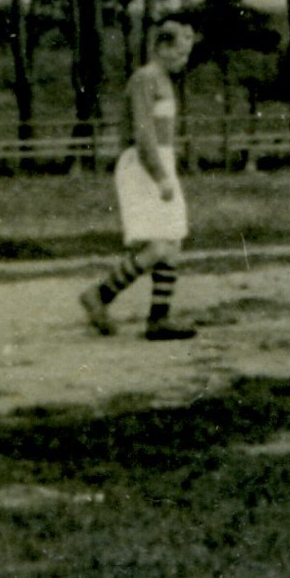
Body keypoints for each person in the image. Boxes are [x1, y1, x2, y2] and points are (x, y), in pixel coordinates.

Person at [78, 20, 200, 341]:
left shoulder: (164, 80)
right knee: (158, 245)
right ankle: (99, 295)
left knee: (172, 240)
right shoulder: (145, 79)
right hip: (142, 166)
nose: (183, 59)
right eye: (179, 52)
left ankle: (159, 319)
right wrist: (160, 175)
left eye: (187, 53)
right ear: (162, 47)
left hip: (160, 162)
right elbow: (143, 134)